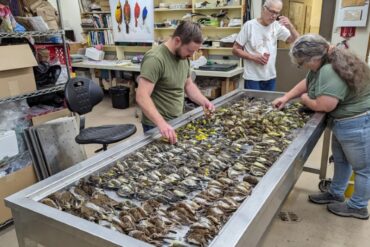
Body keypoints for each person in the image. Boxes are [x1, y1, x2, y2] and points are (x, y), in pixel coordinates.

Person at [273, 34, 370, 220]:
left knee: (363, 168)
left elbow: (325, 105)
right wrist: (286, 97)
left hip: (356, 123)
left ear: (315, 58)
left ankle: (358, 206)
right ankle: (336, 192)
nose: (304, 67)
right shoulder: (328, 59)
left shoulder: (329, 69)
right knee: (342, 160)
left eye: (303, 63)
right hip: (344, 122)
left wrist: (305, 99)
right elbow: (307, 81)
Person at [136, 21, 215, 144]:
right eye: (190, 50)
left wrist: (204, 101)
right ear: (177, 40)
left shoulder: (183, 57)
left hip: (177, 120)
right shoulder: (155, 59)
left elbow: (188, 85)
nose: (191, 55)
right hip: (157, 125)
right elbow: (142, 96)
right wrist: (161, 123)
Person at [232, 0, 299, 91]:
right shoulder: (249, 25)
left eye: (277, 13)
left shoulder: (276, 26)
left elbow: (296, 40)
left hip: (270, 77)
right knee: (252, 105)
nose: (274, 16)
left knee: (269, 104)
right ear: (264, 9)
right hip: (252, 77)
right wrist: (253, 57)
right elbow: (235, 49)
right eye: (272, 11)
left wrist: (290, 26)